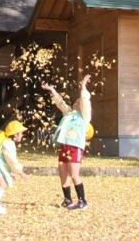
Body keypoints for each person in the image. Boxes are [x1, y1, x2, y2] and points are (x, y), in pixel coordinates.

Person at [43, 74, 92, 210]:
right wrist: (52, 90)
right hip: (64, 145)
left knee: (74, 174)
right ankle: (67, 199)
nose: (77, 102)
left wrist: (83, 87)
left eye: (79, 101)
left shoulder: (84, 116)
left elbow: (86, 101)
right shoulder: (69, 113)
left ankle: (82, 201)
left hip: (75, 147)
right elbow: (60, 103)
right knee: (62, 172)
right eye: (76, 101)